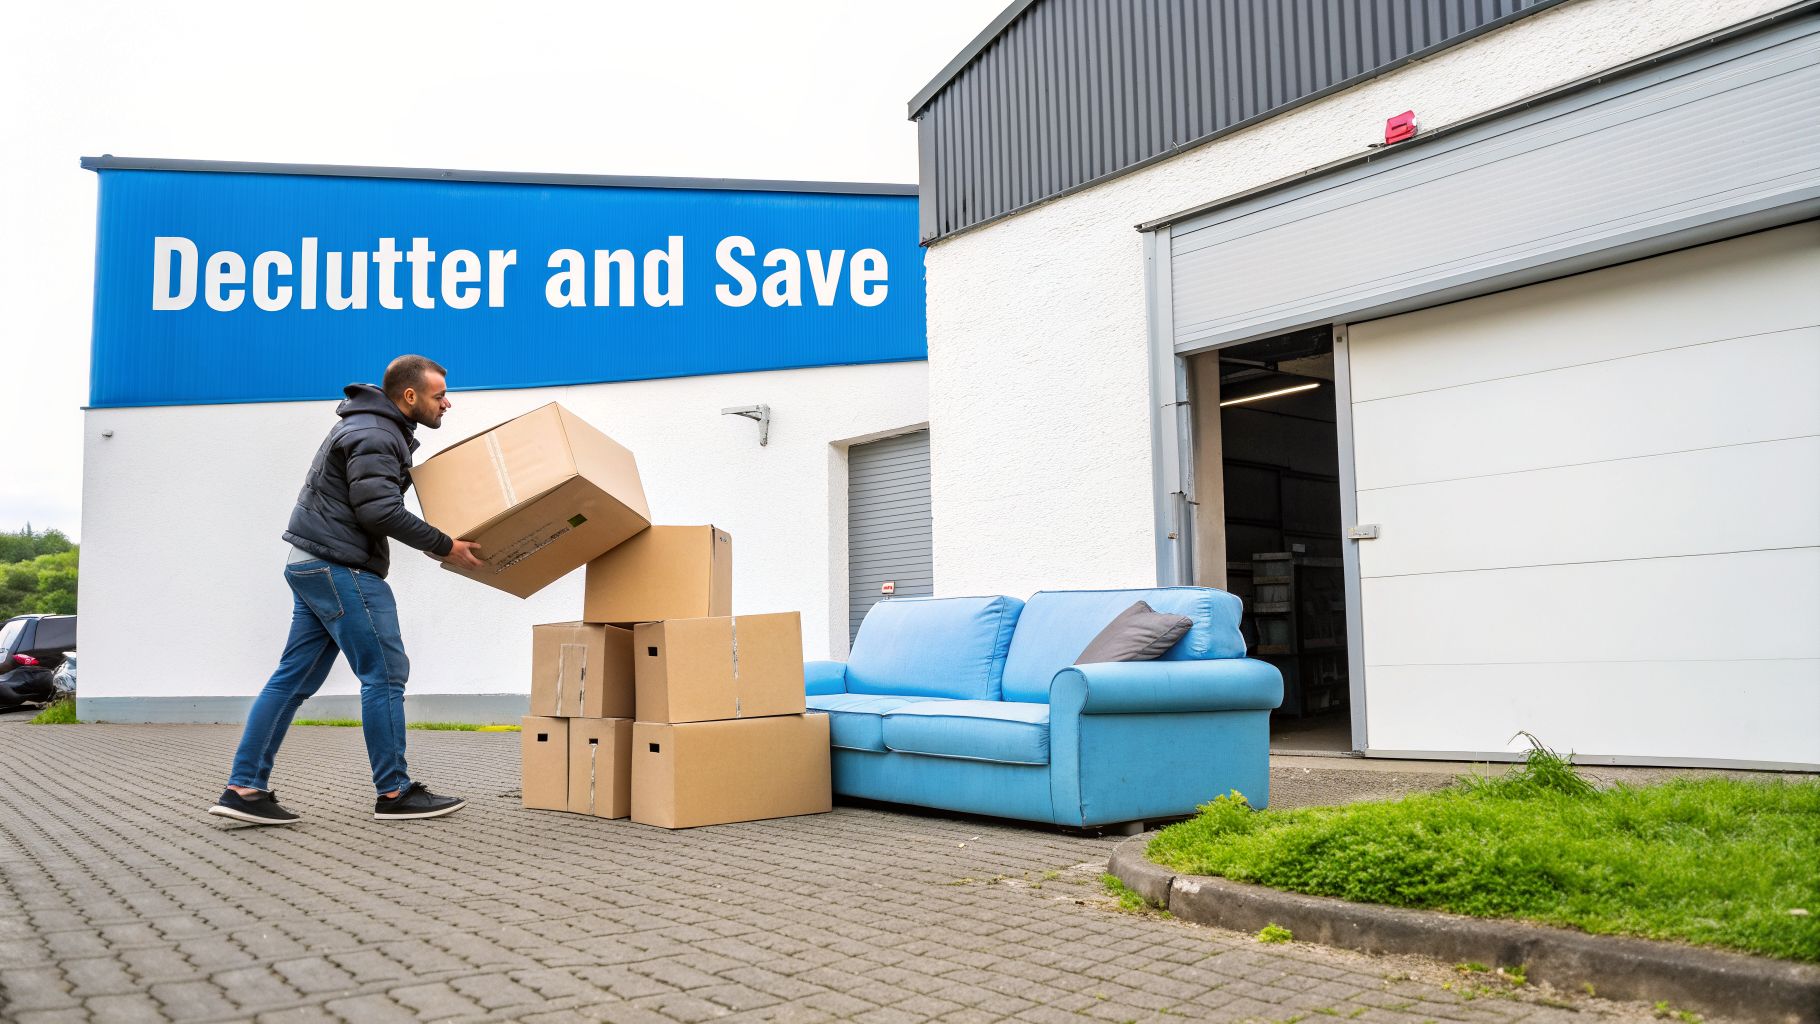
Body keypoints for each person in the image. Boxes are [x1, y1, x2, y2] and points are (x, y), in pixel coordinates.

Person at [209, 355, 485, 826]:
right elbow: (378, 511)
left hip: (311, 563)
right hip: (341, 567)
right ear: (410, 396)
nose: (448, 403)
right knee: (385, 673)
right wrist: (444, 547)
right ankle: (395, 792)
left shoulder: (368, 427)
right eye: (440, 395)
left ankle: (245, 788)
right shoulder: (377, 435)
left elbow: (370, 506)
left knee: (292, 680)